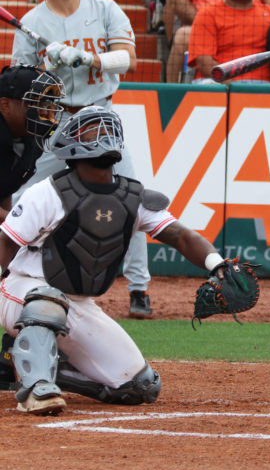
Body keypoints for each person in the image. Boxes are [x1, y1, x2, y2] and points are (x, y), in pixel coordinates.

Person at [0, 106, 234, 415]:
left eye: (108, 129)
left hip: (79, 304)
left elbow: (182, 237)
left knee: (141, 387)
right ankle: (37, 388)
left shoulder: (134, 197)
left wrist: (217, 265)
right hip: (23, 290)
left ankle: (43, 364)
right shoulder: (46, 193)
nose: (103, 135)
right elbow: (5, 243)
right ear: (70, 143)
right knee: (47, 300)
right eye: (92, 130)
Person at [12, 0, 156, 321]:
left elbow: (129, 58)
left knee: (132, 196)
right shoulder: (32, 23)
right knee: (23, 196)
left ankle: (139, 288)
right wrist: (50, 72)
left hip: (100, 119)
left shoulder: (104, 8)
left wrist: (89, 58)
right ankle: (8, 275)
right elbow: (17, 81)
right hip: (54, 121)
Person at [0, 66, 65, 218]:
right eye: (34, 103)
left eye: (47, 103)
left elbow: (4, 190)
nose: (44, 111)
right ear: (4, 105)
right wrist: (14, 224)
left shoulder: (33, 140)